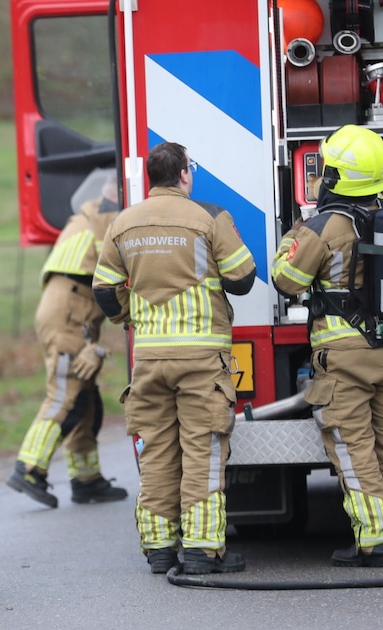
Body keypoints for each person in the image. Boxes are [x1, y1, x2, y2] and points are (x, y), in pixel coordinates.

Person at [271, 124, 383, 567]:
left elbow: (286, 280)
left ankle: (377, 541)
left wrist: (296, 233)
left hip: (344, 358)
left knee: (353, 447)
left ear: (336, 176)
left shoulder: (325, 227)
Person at [93, 142, 256, 575]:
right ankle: (202, 551)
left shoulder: (123, 223)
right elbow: (243, 278)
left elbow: (103, 290)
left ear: (151, 177)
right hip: (202, 358)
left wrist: (132, 316)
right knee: (202, 449)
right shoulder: (209, 217)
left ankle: (160, 548)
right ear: (184, 175)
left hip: (148, 359)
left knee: (157, 452)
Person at [8, 174, 128, 507]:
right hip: (71, 312)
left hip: (71, 309)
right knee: (67, 393)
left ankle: (86, 479)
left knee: (85, 397)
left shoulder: (90, 212)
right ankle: (29, 467)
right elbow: (119, 267)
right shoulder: (106, 215)